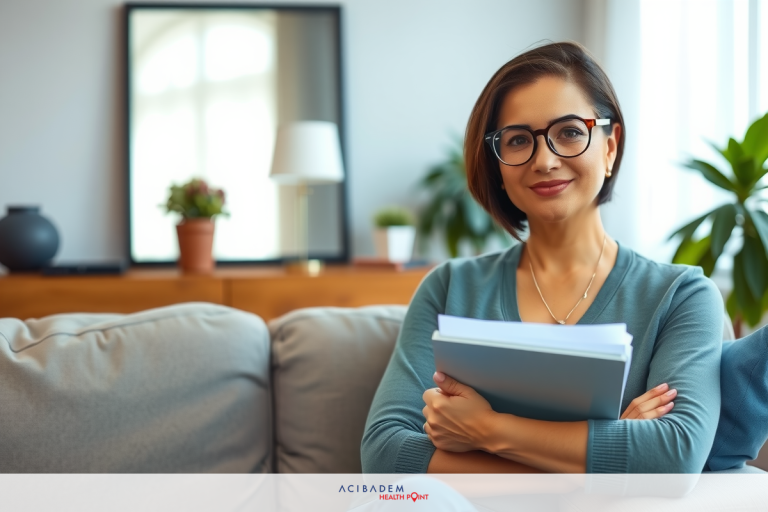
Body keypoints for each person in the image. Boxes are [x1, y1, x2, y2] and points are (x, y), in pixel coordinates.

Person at [361, 41, 723, 474]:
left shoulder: (681, 296)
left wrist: (488, 431)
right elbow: (384, 453)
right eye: (517, 140)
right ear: (497, 164)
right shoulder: (449, 288)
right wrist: (593, 467)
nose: (545, 160)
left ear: (609, 146)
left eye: (570, 132)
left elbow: (675, 454)